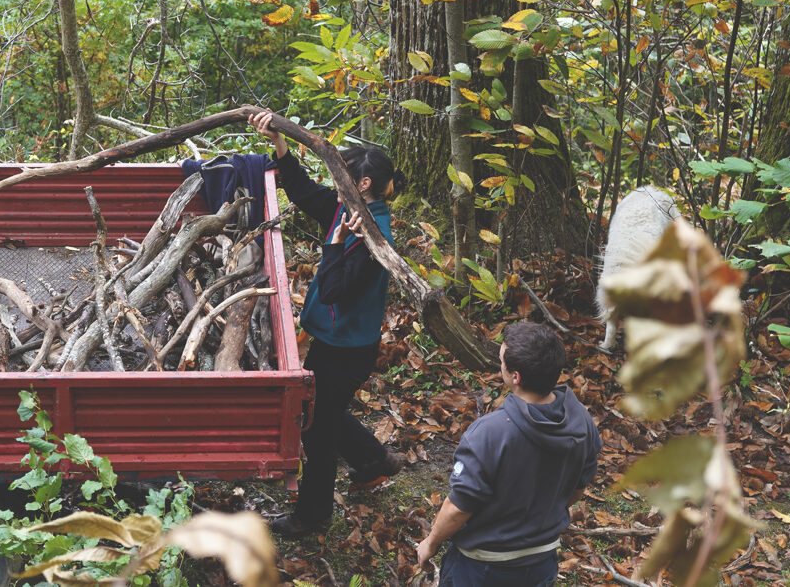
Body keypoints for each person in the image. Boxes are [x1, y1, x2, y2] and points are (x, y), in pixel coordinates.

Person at [248, 109, 407, 537]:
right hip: (334, 340)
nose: (335, 180)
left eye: (341, 172)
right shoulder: (346, 208)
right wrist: (280, 145)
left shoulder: (372, 235)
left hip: (347, 349)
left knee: (317, 429)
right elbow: (303, 192)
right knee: (325, 410)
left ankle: (311, 517)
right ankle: (375, 460)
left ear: (364, 184)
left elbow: (337, 290)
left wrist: (337, 245)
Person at [416, 322, 601, 586]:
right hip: (541, 560)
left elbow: (458, 508)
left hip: (482, 566)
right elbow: (578, 488)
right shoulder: (582, 420)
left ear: (515, 377)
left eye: (501, 360)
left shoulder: (488, 434)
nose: (498, 364)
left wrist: (431, 542)